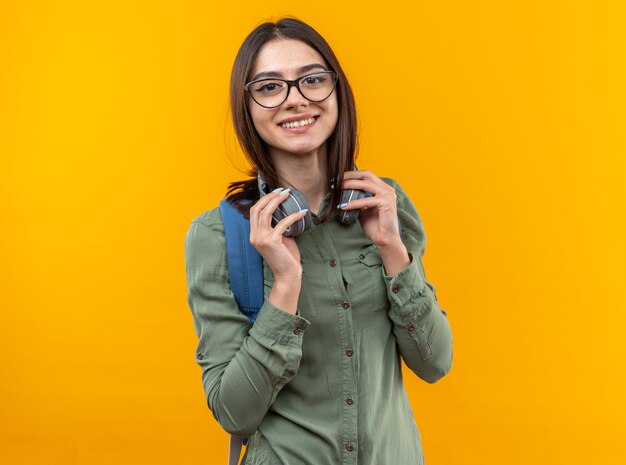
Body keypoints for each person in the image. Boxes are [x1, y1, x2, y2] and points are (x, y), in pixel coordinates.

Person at [184, 17, 453, 465]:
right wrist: (286, 285)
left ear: (336, 91)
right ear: (246, 106)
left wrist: (393, 250)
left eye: (312, 80)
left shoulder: (386, 206)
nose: (295, 100)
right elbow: (233, 411)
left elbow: (435, 363)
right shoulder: (218, 234)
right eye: (270, 87)